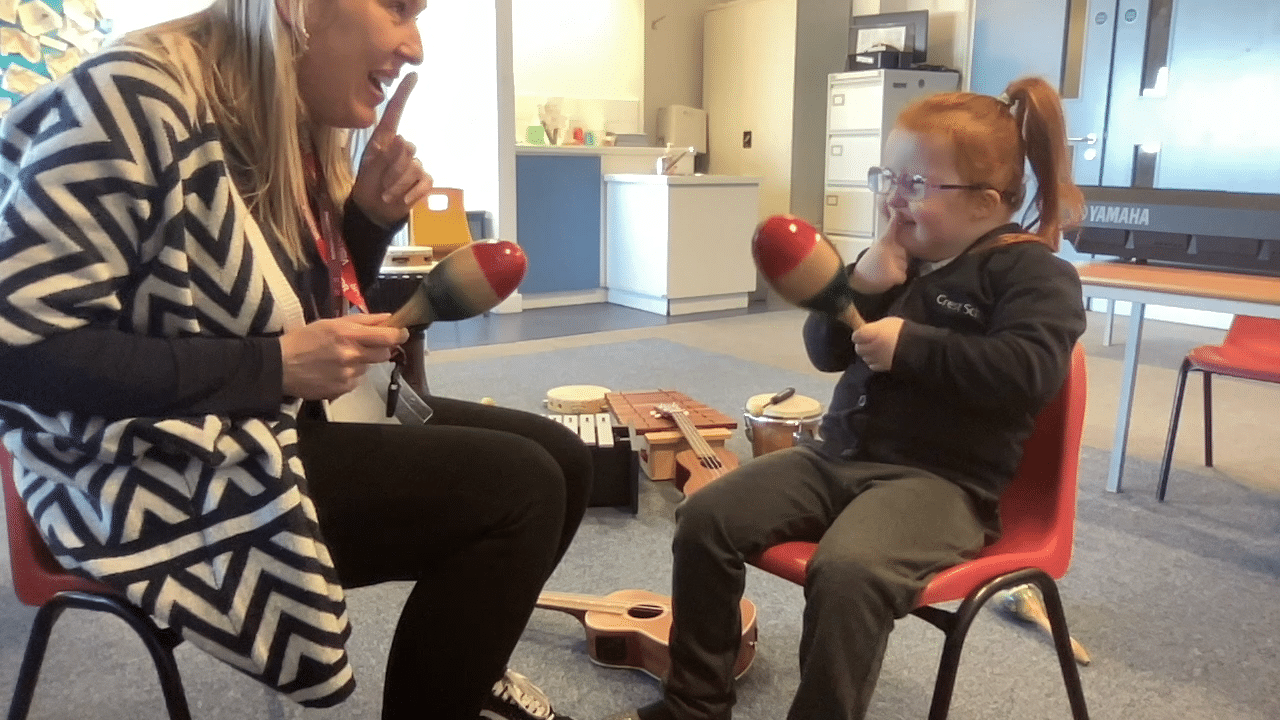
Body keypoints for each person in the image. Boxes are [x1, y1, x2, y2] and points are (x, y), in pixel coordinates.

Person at [0, 2, 589, 719]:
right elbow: (20, 348)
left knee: (562, 456)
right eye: (398, 7)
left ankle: (467, 673)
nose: (416, 47)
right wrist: (270, 368)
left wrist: (365, 220)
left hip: (251, 417)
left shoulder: (289, 125)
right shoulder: (132, 96)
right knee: (518, 489)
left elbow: (291, 310)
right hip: (149, 463)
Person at [610, 77, 1088, 720]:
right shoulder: (897, 259)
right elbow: (826, 353)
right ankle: (696, 702)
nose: (894, 197)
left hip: (942, 485)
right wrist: (861, 286)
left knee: (848, 573)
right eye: (887, 177)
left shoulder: (1035, 274)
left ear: (990, 200)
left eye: (917, 184)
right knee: (706, 518)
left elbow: (1029, 372)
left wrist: (911, 345)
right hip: (836, 460)